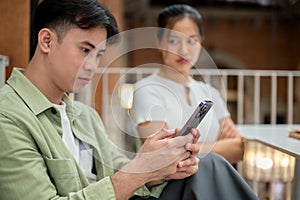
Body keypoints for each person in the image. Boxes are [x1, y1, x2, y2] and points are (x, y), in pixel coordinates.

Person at [0, 0, 258, 199]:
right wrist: (143, 170)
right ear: (47, 40)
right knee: (209, 168)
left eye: (100, 55)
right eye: (85, 50)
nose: (93, 66)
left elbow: (120, 168)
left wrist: (159, 169)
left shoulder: (83, 114)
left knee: (207, 166)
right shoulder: (8, 117)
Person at [131, 4, 243, 164]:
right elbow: (161, 154)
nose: (183, 50)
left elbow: (239, 148)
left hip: (213, 181)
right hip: (173, 187)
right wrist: (221, 147)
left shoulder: (209, 92)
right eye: (174, 40)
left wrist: (185, 148)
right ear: (160, 42)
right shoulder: (147, 90)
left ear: (201, 43)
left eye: (191, 40)